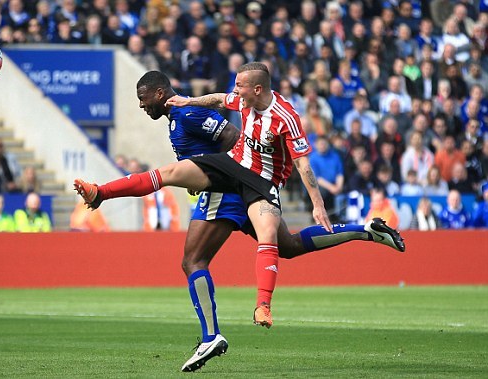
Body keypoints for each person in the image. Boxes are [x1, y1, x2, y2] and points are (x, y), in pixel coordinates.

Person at [74, 68, 405, 372]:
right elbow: (221, 100)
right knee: (286, 246)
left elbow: (232, 138)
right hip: (238, 183)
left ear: (159, 94)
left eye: (142, 99)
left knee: (193, 259)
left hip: (230, 185)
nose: (141, 106)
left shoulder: (191, 115)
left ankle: (211, 335)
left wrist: (212, 174)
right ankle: (364, 230)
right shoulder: (199, 107)